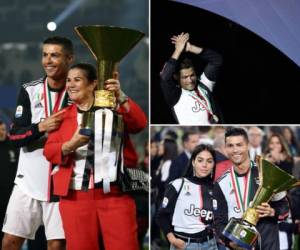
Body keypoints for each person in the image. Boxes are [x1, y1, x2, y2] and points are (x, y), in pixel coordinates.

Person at [43, 63, 147, 250]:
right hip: (75, 198)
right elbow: (49, 152)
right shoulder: (62, 116)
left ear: (92, 84)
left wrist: (120, 95)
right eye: (68, 80)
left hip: (115, 196)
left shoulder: (114, 110)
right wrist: (71, 144)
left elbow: (139, 124)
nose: (70, 85)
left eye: (77, 79)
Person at [2, 36, 74, 250]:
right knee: (10, 242)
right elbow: (14, 137)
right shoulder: (29, 90)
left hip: (62, 184)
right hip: (28, 182)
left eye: (55, 55)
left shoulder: (78, 92)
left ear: (69, 58)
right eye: (45, 55)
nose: (48, 60)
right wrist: (40, 127)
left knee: (57, 246)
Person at [214, 127, 289, 250]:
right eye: (230, 145)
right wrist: (230, 243)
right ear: (225, 148)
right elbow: (219, 222)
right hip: (237, 246)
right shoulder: (221, 183)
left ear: (247, 145)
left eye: (239, 145)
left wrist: (273, 212)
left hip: (267, 244)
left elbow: (285, 208)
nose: (235, 150)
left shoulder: (267, 173)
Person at [156, 144, 218, 250]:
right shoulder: (178, 184)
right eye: (200, 160)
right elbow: (161, 216)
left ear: (213, 164)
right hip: (183, 245)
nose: (204, 165)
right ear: (193, 162)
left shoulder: (216, 189)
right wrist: (173, 240)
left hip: (210, 244)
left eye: (209, 161)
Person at [160, 32, 223, 125]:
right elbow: (165, 77)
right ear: (176, 77)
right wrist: (178, 50)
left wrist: (191, 48)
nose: (190, 80)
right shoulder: (174, 96)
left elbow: (217, 60)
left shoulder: (204, 84)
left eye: (192, 75)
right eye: (185, 77)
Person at [0, 121, 19, 244]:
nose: (2, 132)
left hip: (10, 200)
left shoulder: (13, 146)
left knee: (8, 236)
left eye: (3, 129)